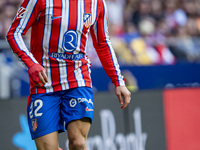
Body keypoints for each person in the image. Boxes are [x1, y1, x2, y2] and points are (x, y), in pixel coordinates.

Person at [6, 0, 131, 149]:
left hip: (77, 78)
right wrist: (31, 64)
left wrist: (118, 81)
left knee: (78, 142)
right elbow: (14, 33)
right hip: (44, 83)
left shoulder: (96, 3)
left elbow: (102, 43)